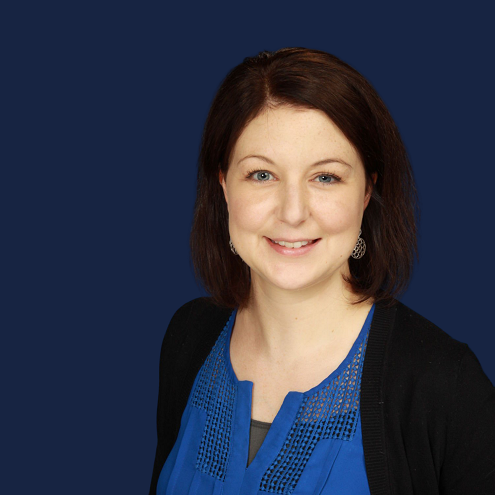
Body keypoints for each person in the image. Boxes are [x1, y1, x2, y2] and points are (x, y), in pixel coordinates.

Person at [149, 48, 495, 494]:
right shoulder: (188, 338)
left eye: (326, 177)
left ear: (367, 190)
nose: (293, 213)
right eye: (261, 175)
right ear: (223, 185)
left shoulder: (445, 386)